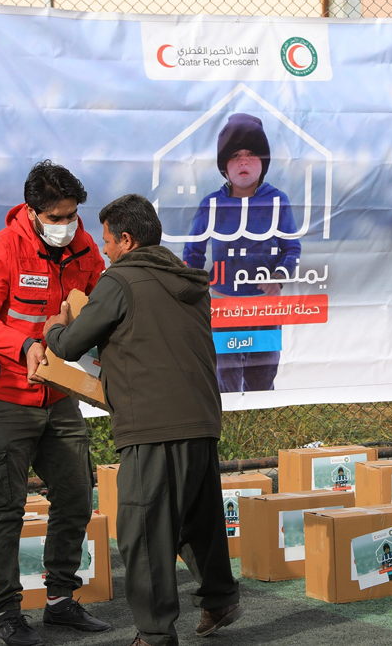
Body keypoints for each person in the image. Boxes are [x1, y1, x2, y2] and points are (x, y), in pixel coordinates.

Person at [45, 194, 242, 645]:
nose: (106, 250)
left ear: (128, 240)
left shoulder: (121, 279)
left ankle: (153, 634)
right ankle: (220, 598)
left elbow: (71, 344)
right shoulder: (185, 279)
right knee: (198, 517)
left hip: (152, 424)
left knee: (142, 530)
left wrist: (53, 328)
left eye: (109, 241)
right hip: (201, 419)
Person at [0, 160, 110, 646]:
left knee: (76, 494)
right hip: (5, 396)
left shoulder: (87, 250)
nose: (68, 226)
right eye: (58, 217)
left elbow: (100, 312)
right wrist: (24, 346)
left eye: (73, 216)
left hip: (61, 394)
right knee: (7, 505)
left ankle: (61, 600)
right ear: (33, 211)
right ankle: (6, 611)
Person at [183, 113, 302, 393]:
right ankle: (229, 430)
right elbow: (193, 255)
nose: (244, 161)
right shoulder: (211, 204)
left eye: (251, 154)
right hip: (223, 307)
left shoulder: (277, 200)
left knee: (263, 375)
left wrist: (278, 276)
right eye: (235, 155)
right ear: (224, 165)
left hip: (265, 307)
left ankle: (261, 428)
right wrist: (197, 292)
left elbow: (291, 248)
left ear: (264, 162)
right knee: (224, 379)